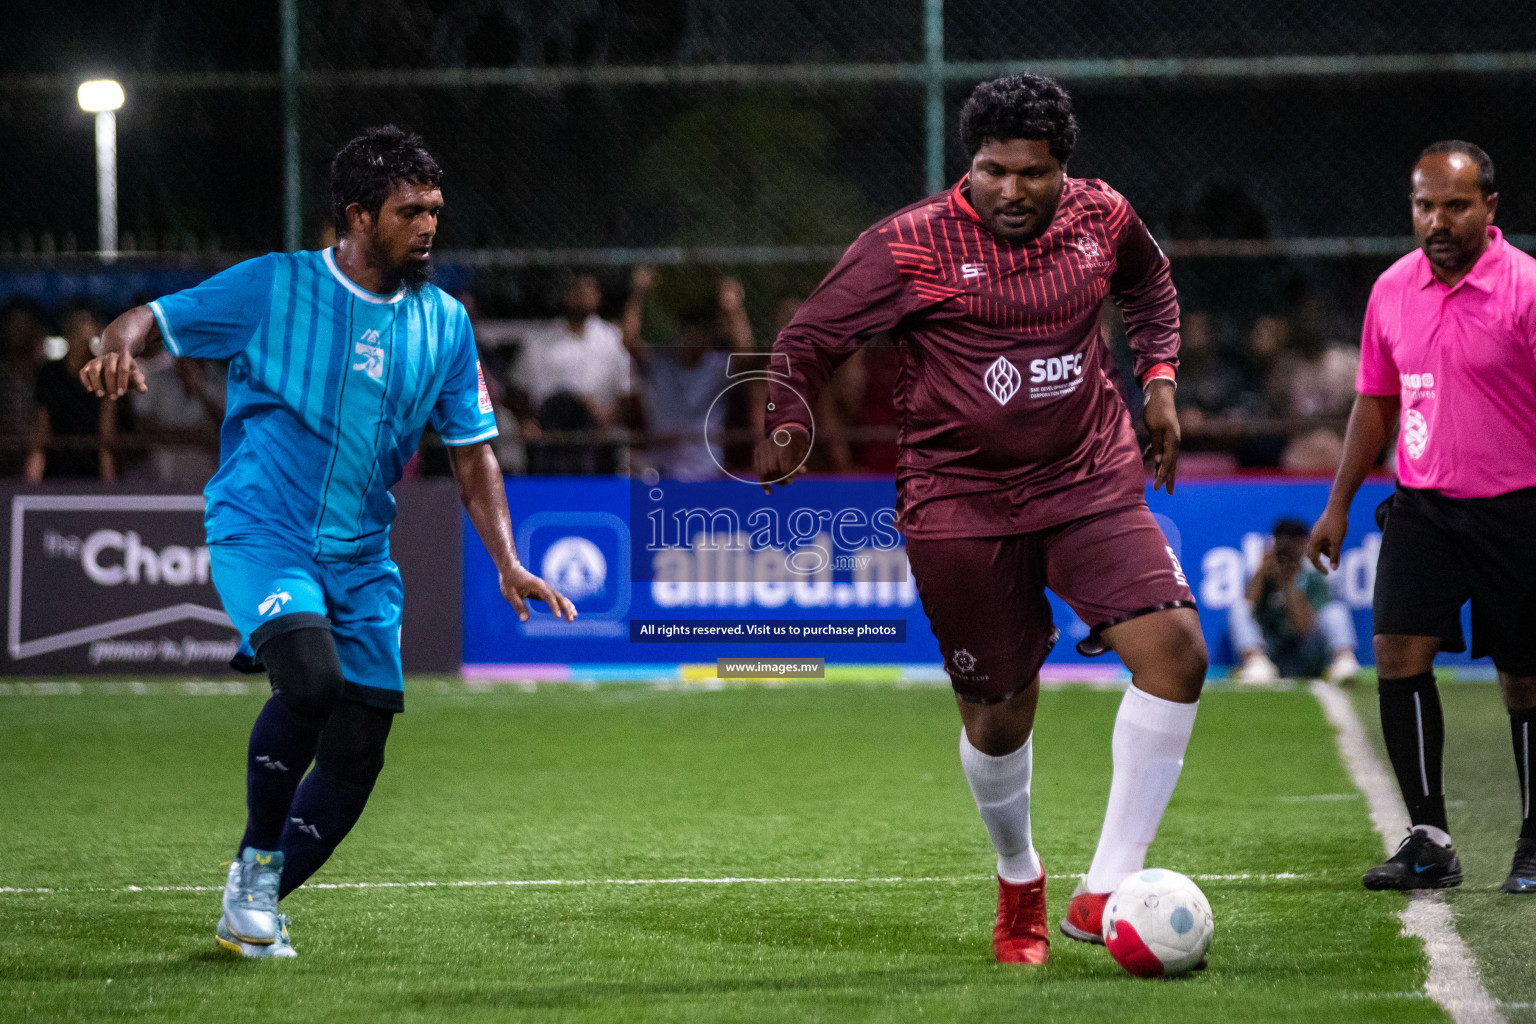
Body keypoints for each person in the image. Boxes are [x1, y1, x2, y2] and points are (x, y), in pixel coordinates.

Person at [79, 126, 578, 958]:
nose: (428, 227)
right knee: (310, 682)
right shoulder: (274, 286)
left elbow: (472, 452)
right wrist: (116, 348)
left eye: (435, 211)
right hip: (262, 528)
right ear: (357, 215)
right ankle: (257, 870)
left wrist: (506, 558)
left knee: (357, 751)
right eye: (410, 211)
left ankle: (253, 898)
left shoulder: (446, 324)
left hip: (361, 556)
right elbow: (147, 321)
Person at [756, 74, 1207, 964]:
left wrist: (1158, 382)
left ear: (1062, 170)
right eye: (994, 171)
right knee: (999, 716)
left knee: (1179, 655)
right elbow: (807, 339)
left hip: (1089, 477)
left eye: (1032, 173)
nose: (1011, 190)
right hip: (958, 501)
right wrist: (787, 416)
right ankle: (1018, 876)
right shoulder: (909, 245)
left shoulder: (1103, 217)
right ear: (972, 165)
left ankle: (1106, 888)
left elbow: (1150, 288)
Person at [1308, 140, 1536, 895]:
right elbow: (1374, 402)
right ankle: (1430, 840)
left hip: (1517, 510)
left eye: (1455, 205)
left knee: (1524, 681)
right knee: (1398, 652)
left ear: (1490, 209)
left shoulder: (1526, 289)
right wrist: (1337, 506)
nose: (1437, 220)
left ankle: (1535, 839)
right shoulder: (1392, 289)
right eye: (1424, 205)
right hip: (1423, 508)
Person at [624, 266, 755, 481]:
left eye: (700, 333)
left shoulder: (717, 367)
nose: (692, 339)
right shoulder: (661, 363)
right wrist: (638, 293)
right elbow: (629, 340)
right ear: (679, 333)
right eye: (688, 332)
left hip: (706, 469)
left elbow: (747, 355)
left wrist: (735, 309)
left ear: (709, 337)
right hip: (661, 469)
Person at [508, 273, 631, 474]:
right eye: (576, 289)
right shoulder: (538, 341)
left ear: (598, 296)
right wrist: (525, 422)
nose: (582, 295)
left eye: (588, 289)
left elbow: (628, 393)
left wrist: (609, 420)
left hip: (596, 435)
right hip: (548, 434)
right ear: (565, 295)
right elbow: (517, 392)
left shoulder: (613, 340)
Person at [1230, 519, 1359, 684]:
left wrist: (1289, 584)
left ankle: (1344, 661)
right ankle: (1255, 662)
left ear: (1305, 544)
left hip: (1306, 652)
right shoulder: (1264, 572)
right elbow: (1248, 604)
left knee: (1335, 610)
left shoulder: (1315, 575)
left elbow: (1303, 627)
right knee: (1240, 607)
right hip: (1272, 653)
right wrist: (1263, 571)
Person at [28, 305, 120, 483]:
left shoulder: (105, 373)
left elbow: (106, 429)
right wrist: (32, 477)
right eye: (75, 323)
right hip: (55, 467)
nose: (80, 329)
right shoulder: (48, 372)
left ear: (96, 329)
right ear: (66, 328)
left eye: (86, 322)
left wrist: (108, 480)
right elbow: (42, 425)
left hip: (91, 469)